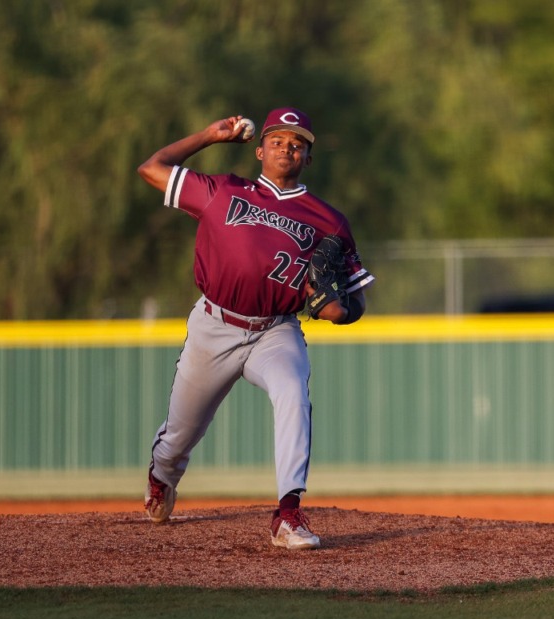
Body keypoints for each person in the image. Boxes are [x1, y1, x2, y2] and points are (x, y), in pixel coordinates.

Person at [136, 107, 375, 549]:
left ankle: (288, 515)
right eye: (279, 140)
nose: (288, 148)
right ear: (260, 150)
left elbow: (356, 297)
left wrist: (341, 312)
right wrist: (209, 135)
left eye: (298, 143)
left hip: (275, 330)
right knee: (179, 436)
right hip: (214, 325)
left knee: (291, 391)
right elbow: (151, 168)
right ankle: (161, 477)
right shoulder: (222, 190)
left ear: (308, 159)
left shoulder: (330, 221)